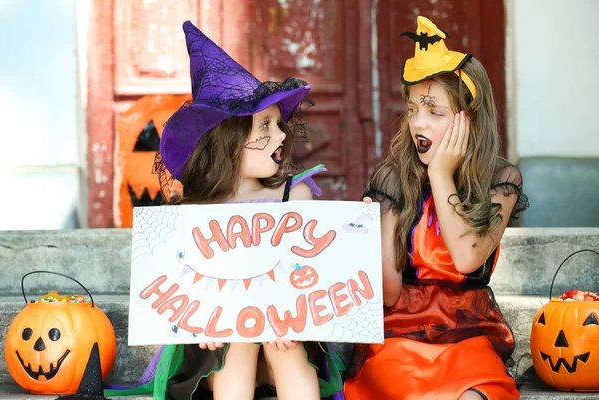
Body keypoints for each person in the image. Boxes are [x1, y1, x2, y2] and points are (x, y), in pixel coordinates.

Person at [146, 21, 345, 400]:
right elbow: (184, 282)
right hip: (218, 345)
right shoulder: (199, 207)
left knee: (278, 342)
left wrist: (289, 315)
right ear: (230, 142)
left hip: (286, 334)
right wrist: (199, 321)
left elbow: (310, 270)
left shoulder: (295, 195)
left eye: (279, 124)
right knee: (237, 339)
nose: (283, 135)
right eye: (266, 125)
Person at [343, 16, 528, 400]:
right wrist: (371, 236)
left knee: (476, 395)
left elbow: (465, 257)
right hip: (401, 331)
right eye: (412, 109)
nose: (417, 122)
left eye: (433, 111)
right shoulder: (394, 177)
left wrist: (442, 174)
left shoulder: (501, 180)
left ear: (470, 120)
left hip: (468, 332)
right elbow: (391, 294)